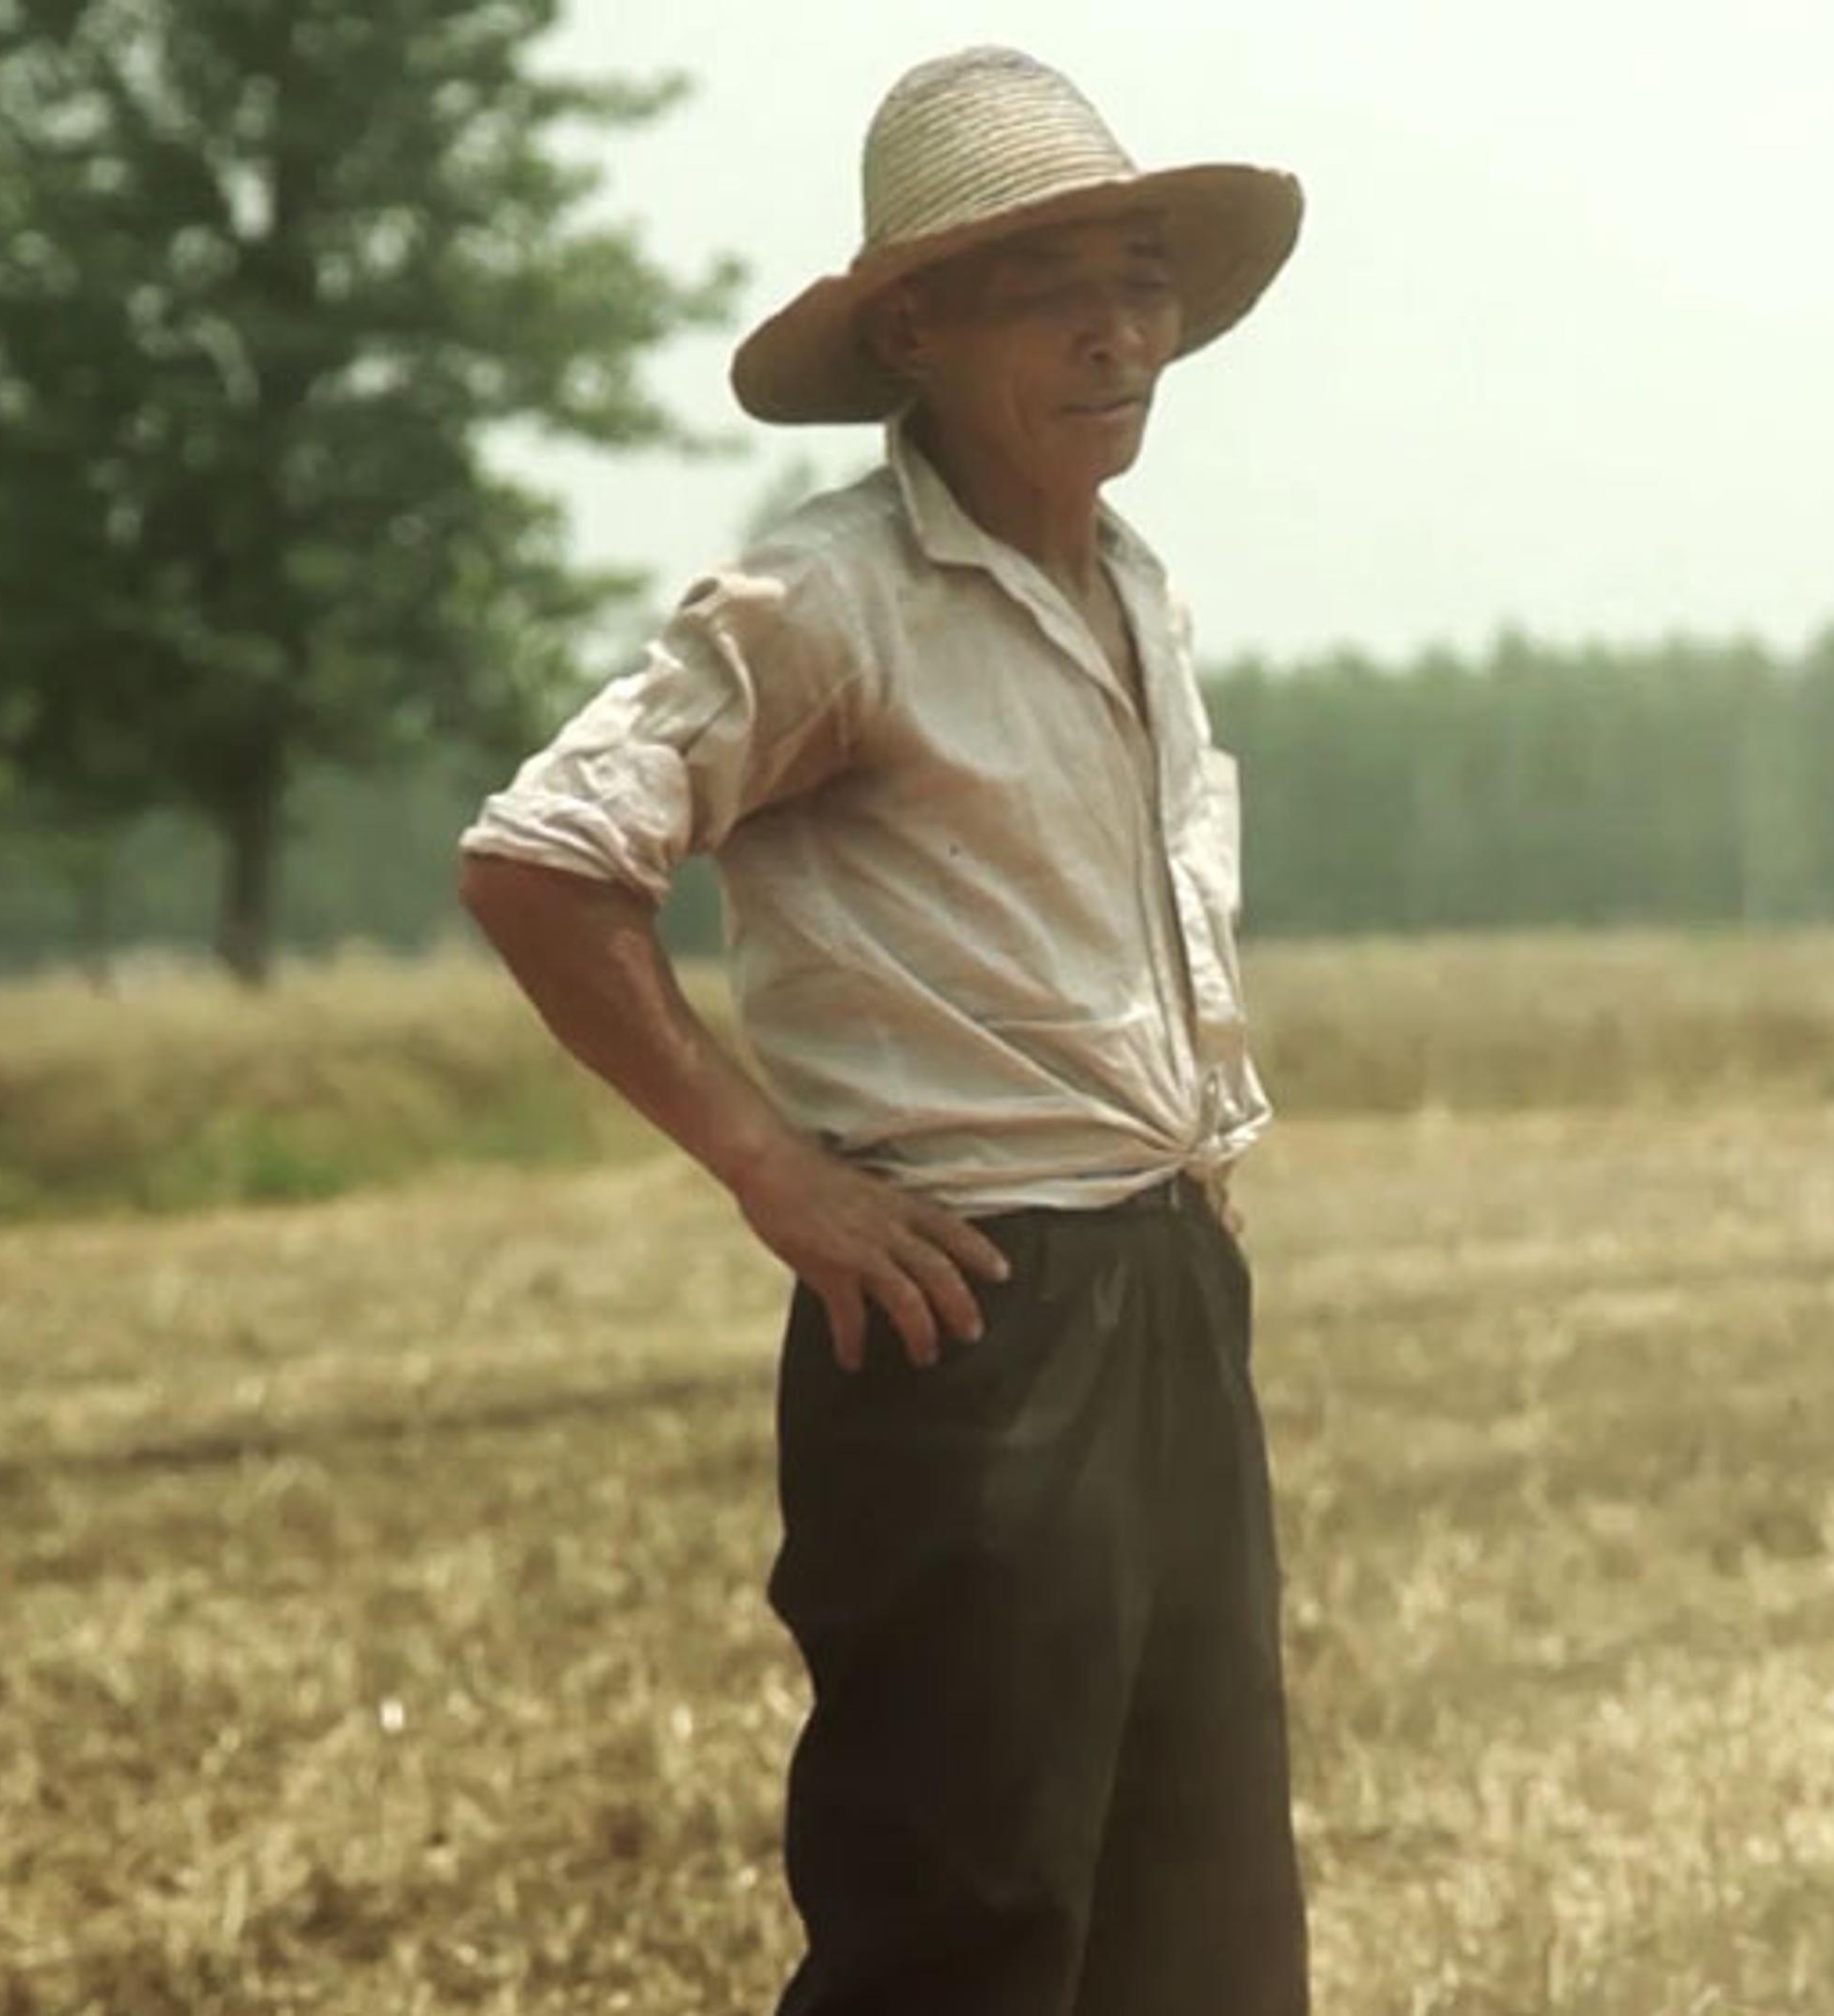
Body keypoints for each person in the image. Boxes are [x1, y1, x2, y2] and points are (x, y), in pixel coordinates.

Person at [453, 46, 1310, 2016]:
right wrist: (776, 1171)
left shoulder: (1136, 592)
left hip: (1167, 1286)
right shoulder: (829, 599)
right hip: (969, 1319)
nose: (1119, 332)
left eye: (1144, 277)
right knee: (968, 1931)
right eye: (1051, 286)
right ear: (912, 326)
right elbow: (541, 863)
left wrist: (1188, 1219)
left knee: (1200, 1934)